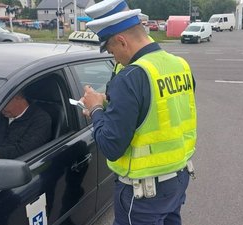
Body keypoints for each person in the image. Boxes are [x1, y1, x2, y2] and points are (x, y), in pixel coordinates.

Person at [81, 1, 197, 225]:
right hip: (178, 177)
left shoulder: (131, 76)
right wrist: (112, 103)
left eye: (112, 50)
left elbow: (111, 147)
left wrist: (96, 109)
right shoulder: (180, 65)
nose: (114, 58)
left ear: (122, 41)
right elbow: (160, 107)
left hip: (145, 192)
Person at [0, 92, 52, 159]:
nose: (0, 108)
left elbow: (22, 151)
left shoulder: (41, 119)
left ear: (18, 97)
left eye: (3, 103)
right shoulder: (1, 116)